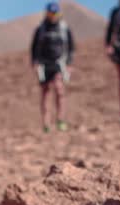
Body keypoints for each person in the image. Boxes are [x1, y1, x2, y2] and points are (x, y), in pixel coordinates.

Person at [31, 2, 75, 133]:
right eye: (50, 13)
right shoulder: (41, 29)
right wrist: (34, 62)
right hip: (44, 64)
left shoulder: (64, 28)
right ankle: (46, 123)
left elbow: (71, 48)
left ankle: (60, 120)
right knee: (45, 93)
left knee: (59, 89)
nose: (52, 16)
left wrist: (69, 63)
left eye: (54, 13)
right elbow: (33, 48)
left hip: (58, 63)